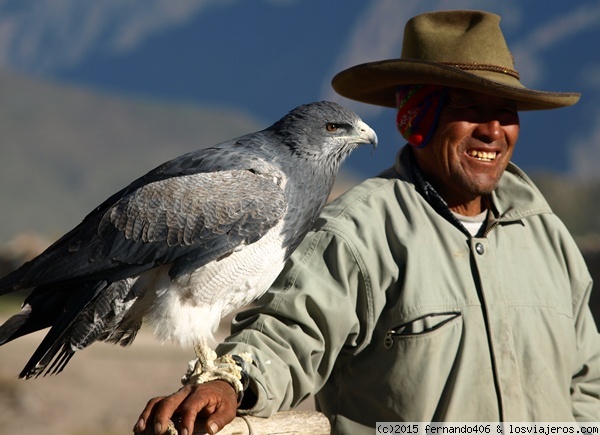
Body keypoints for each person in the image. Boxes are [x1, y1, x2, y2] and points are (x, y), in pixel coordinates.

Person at [134, 10, 600, 434]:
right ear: (417, 120)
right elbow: (291, 334)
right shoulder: (357, 230)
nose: (493, 131)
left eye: (506, 113)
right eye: (468, 109)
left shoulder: (548, 236)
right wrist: (234, 384)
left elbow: (588, 383)